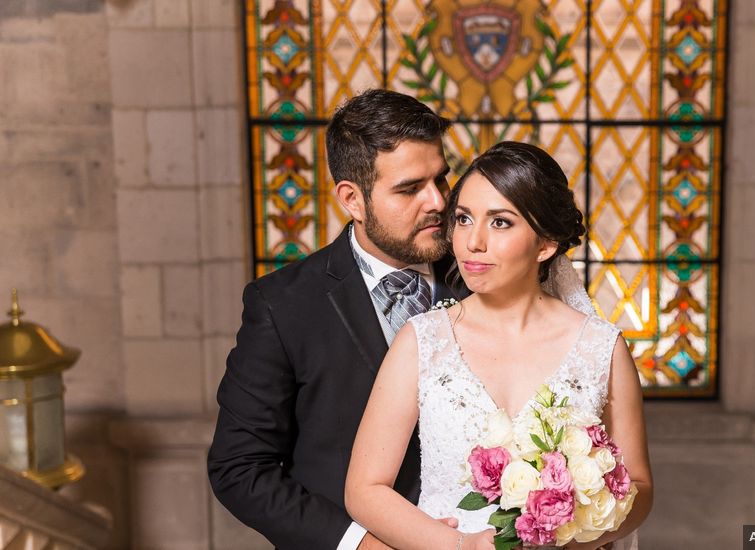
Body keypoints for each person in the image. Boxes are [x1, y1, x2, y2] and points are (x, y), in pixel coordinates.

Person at [345, 141, 653, 549]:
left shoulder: (601, 348)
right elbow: (364, 489)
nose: (473, 242)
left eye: (500, 222)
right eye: (463, 218)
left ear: (545, 244)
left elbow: (639, 487)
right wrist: (461, 546)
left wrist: (560, 539)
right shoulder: (423, 341)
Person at [207, 89, 468, 550]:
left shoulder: (481, 277)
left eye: (441, 180)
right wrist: (359, 544)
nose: (438, 202)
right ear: (353, 199)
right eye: (409, 189)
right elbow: (240, 468)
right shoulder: (283, 306)